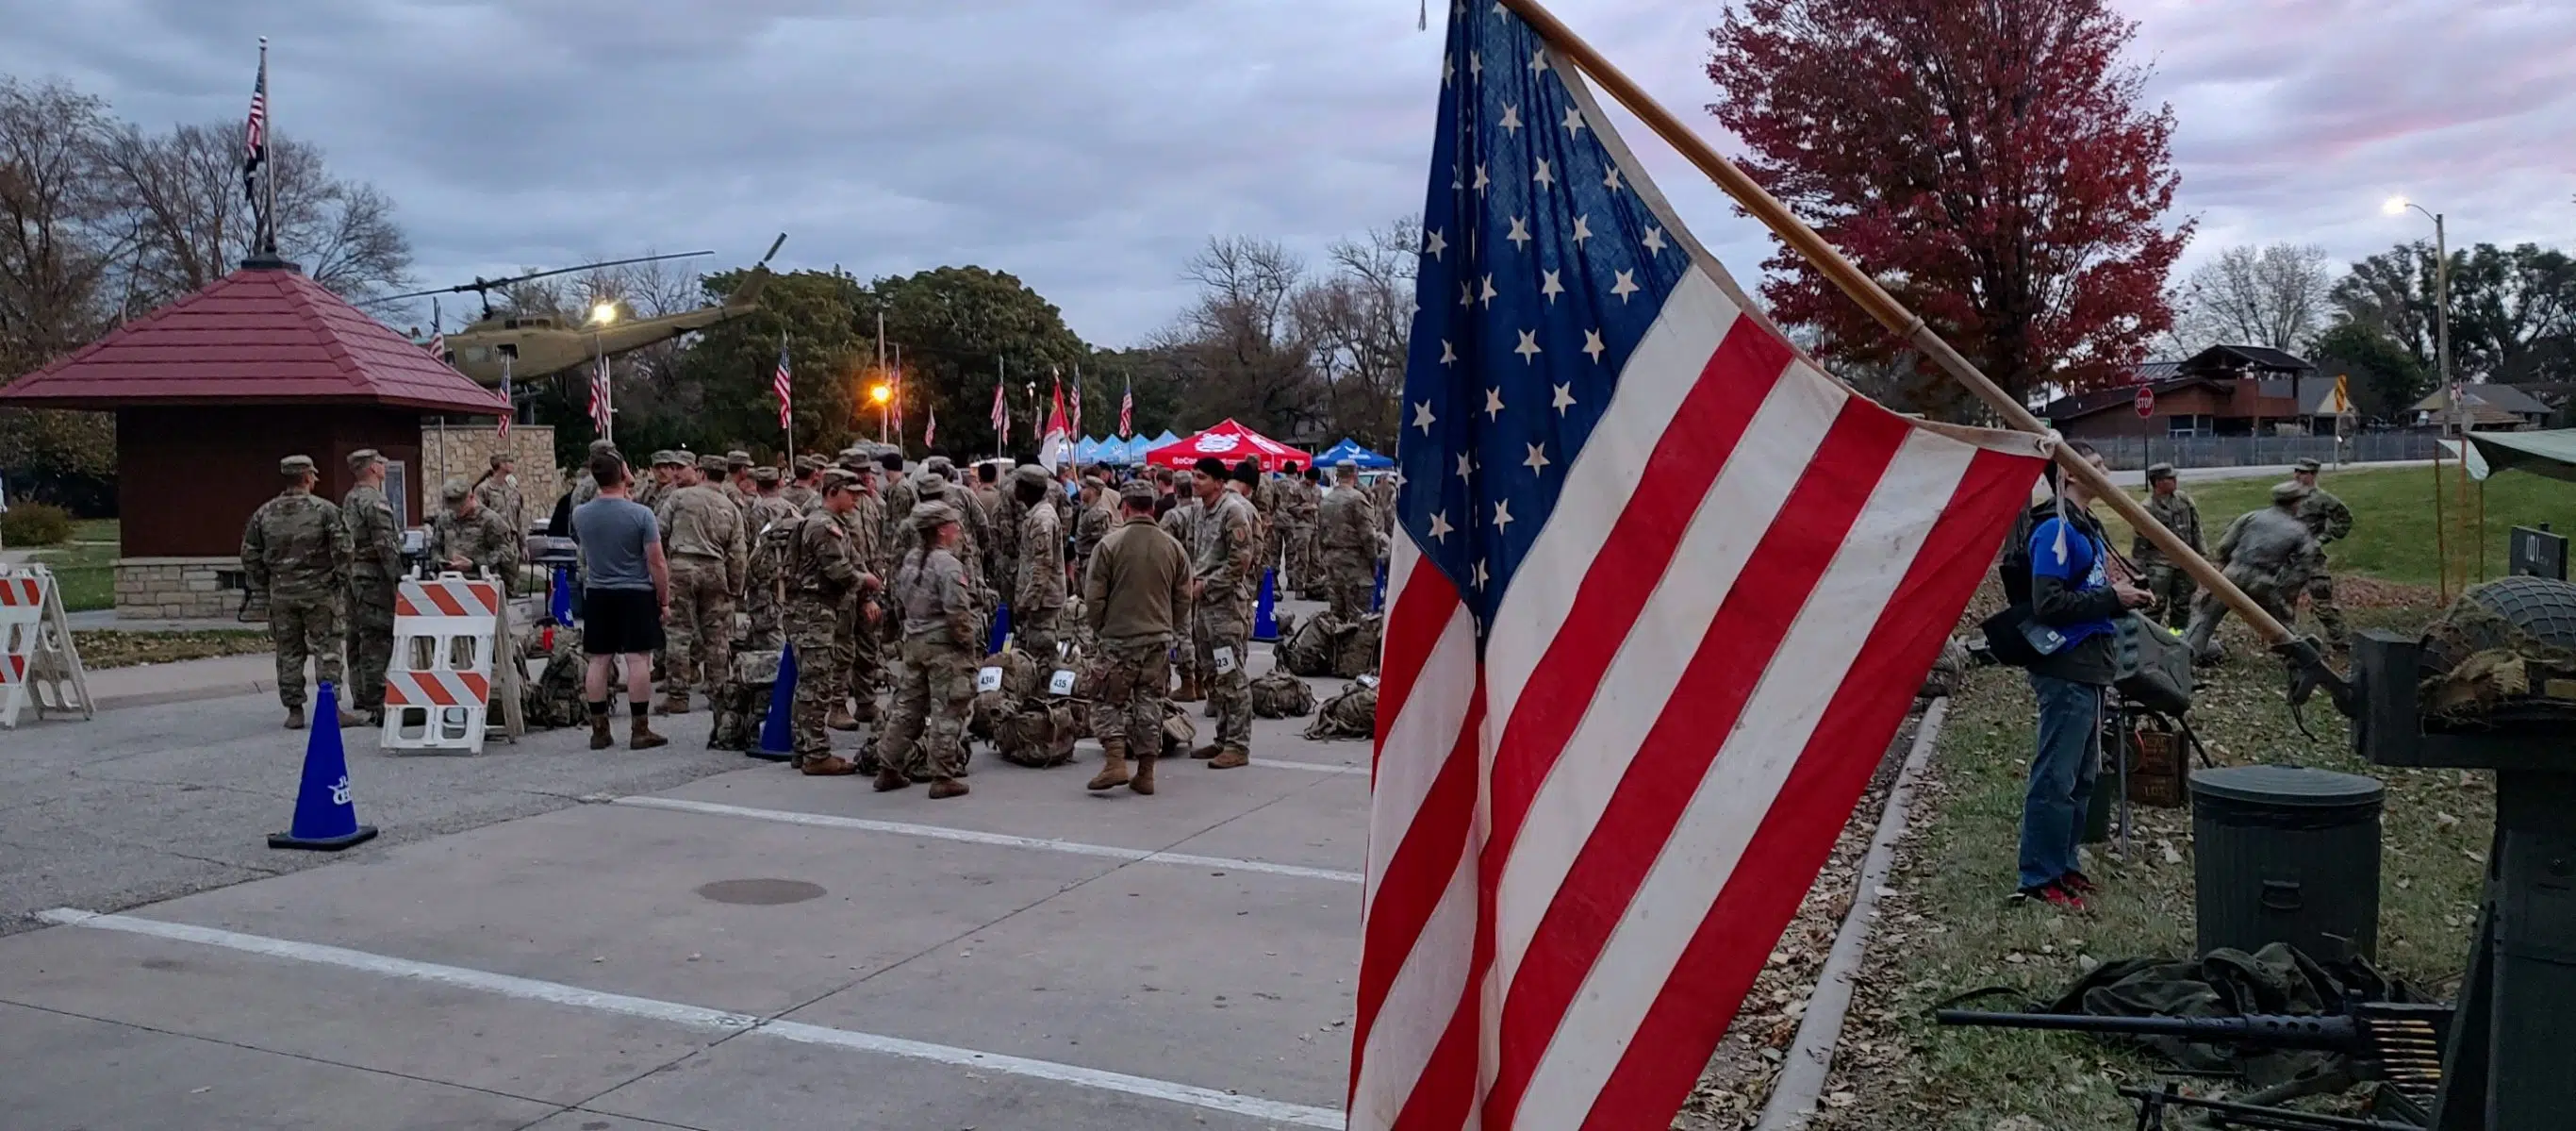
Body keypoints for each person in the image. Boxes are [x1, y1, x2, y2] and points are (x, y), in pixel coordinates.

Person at [2018, 444, 2154, 910]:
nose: (2106, 472)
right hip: (2065, 667)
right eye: (2095, 466)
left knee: (2083, 775)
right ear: (2067, 477)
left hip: (2093, 665)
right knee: (2056, 775)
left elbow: (2091, 593)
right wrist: (2113, 598)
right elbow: (2048, 605)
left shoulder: (2085, 530)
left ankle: (2065, 865)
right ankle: (2039, 876)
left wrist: (2124, 595)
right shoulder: (2054, 530)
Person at [1083, 478, 1192, 794]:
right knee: (1150, 703)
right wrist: (1168, 624)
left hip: (1119, 637)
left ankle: (1115, 761)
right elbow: (1184, 597)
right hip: (1158, 638)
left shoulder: (1110, 545)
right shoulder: (1173, 547)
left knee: (1106, 700)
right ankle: (1146, 773)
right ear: (1153, 507)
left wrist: (1101, 627)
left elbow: (1094, 597)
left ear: (1126, 507)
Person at [240, 455, 361, 730]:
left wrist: (266, 583)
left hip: (282, 594)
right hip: (320, 592)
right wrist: (339, 580)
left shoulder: (264, 513)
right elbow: (344, 550)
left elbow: (249, 553)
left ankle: (294, 710)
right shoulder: (325, 511)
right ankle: (331, 708)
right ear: (307, 477)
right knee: (327, 648)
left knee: (288, 651)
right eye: (314, 475)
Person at [873, 501, 977, 798]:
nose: (958, 529)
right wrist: (967, 643)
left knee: (906, 708)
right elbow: (957, 610)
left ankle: (888, 767)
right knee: (948, 709)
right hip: (942, 644)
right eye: (954, 524)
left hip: (915, 640)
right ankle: (943, 775)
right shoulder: (948, 564)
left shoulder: (910, 560)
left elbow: (898, 602)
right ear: (941, 530)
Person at [569, 450, 671, 751]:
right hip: (635, 592)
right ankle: (640, 728)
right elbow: (657, 561)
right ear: (623, 473)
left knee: (598, 659)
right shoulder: (641, 515)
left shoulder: (581, 514)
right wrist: (663, 599)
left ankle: (599, 728)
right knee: (638, 659)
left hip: (599, 591)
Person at [785, 469, 879, 774]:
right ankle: (815, 754)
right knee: (817, 684)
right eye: (850, 493)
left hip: (816, 611)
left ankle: (805, 747)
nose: (855, 498)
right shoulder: (823, 525)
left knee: (810, 683)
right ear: (833, 491)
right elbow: (838, 570)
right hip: (813, 612)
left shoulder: (832, 524)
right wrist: (865, 581)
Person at [2183, 482, 2322, 662]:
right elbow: (2302, 569)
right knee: (2282, 623)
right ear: (2295, 503)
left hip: (2232, 574)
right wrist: (2285, 592)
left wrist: (2228, 566)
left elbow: (2224, 546)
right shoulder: (2300, 531)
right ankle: (2303, 660)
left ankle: (2185, 657)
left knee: (2206, 617)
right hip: (2264, 581)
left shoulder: (2251, 517)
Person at [655, 454, 747, 715]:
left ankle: (677, 694)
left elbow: (659, 533)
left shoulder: (679, 497)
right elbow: (738, 552)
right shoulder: (731, 507)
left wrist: (662, 568)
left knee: (678, 633)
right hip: (715, 570)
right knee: (717, 637)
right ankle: (718, 692)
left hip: (681, 567)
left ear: (702, 473)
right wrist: (735, 587)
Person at [1189, 457, 1261, 768]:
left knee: (1230, 674)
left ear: (1219, 482)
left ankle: (1237, 745)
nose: (1195, 481)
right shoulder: (1201, 511)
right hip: (1205, 608)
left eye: (1201, 477)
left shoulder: (1233, 511)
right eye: (1193, 475)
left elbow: (1241, 561)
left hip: (1226, 607)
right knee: (1214, 674)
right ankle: (1222, 738)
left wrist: (1208, 585)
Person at [341, 449, 404, 725]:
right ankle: (377, 697)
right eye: (381, 463)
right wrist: (399, 578)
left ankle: (360, 693)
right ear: (373, 468)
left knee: (356, 635)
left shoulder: (350, 497)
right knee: (378, 635)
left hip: (353, 575)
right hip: (373, 576)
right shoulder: (375, 500)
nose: (384, 467)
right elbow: (385, 545)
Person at [834, 456, 889, 728]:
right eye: (860, 472)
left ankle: (866, 702)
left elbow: (880, 542)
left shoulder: (872, 503)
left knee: (868, 646)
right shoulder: (835, 508)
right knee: (843, 647)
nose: (867, 476)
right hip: (846, 586)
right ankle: (838, 703)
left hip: (871, 583)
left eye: (869, 472)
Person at [2287, 457, 2354, 649]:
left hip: (2311, 559)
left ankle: (2340, 640)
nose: (2298, 476)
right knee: (2282, 602)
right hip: (2287, 559)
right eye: (2296, 471)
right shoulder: (2288, 498)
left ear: (2313, 475)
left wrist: (2321, 540)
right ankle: (2285, 639)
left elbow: (2344, 519)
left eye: (2303, 472)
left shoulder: (2322, 499)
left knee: (2322, 604)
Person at [2134, 462, 2202, 629]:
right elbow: (2140, 541)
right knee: (2155, 606)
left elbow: (2196, 527)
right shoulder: (2147, 508)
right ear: (2157, 482)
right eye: (2170, 478)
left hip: (2184, 562)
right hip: (2160, 565)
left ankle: (2176, 640)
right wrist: (2139, 569)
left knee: (2182, 606)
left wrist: (2199, 555)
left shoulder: (2183, 500)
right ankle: (2150, 641)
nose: (2175, 481)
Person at [740, 467, 798, 651]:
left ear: (757, 487)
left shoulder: (759, 512)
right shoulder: (792, 509)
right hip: (788, 572)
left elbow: (750, 545)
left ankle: (775, 667)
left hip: (765, 576)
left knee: (767, 624)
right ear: (779, 484)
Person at [1013, 464, 1067, 658]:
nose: (1014, 489)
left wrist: (1026, 602)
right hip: (1040, 602)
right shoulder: (1036, 514)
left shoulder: (1042, 519)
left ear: (1026, 489)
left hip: (1043, 604)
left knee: (1042, 658)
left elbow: (1042, 566)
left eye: (1017, 485)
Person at [428, 478, 520, 591]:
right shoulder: (445, 519)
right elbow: (435, 547)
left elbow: (506, 553)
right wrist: (440, 561)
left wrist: (475, 564)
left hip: (481, 584)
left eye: (461, 507)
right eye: (453, 508)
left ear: (471, 498)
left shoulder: (490, 520)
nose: (456, 511)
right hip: (448, 582)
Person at [1161, 470, 1206, 701]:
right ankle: (1201, 681)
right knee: (1200, 633)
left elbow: (1162, 548)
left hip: (1180, 577)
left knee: (1182, 632)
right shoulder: (1203, 512)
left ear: (1176, 489)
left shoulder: (1172, 516)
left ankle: (1188, 682)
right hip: (1203, 574)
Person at [1317, 460, 1381, 620]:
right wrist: (1374, 563)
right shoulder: (1357, 499)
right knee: (1360, 617)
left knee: (1337, 615)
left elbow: (1320, 533)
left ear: (1338, 475)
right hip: (1355, 564)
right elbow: (1368, 536)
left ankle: (1337, 645)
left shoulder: (1326, 500)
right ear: (1355, 474)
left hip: (1333, 563)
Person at [1072, 474, 1115, 597]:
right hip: (1081, 563)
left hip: (1091, 563)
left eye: (1084, 488)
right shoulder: (1085, 508)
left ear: (1093, 491)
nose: (1081, 491)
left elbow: (1104, 542)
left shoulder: (1099, 514)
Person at [1281, 462, 1320, 597]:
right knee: (1303, 558)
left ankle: (1313, 586)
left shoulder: (1318, 489)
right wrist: (1305, 508)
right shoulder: (1297, 488)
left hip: (1315, 525)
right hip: (1302, 525)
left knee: (1316, 559)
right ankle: (1299, 588)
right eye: (1312, 480)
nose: (1314, 483)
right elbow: (1289, 507)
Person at [471, 452, 525, 538]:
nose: (513, 465)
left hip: (511, 542)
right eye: (510, 462)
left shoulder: (512, 490)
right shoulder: (483, 489)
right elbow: (477, 519)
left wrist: (523, 547)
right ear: (502, 465)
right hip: (493, 541)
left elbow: (518, 521)